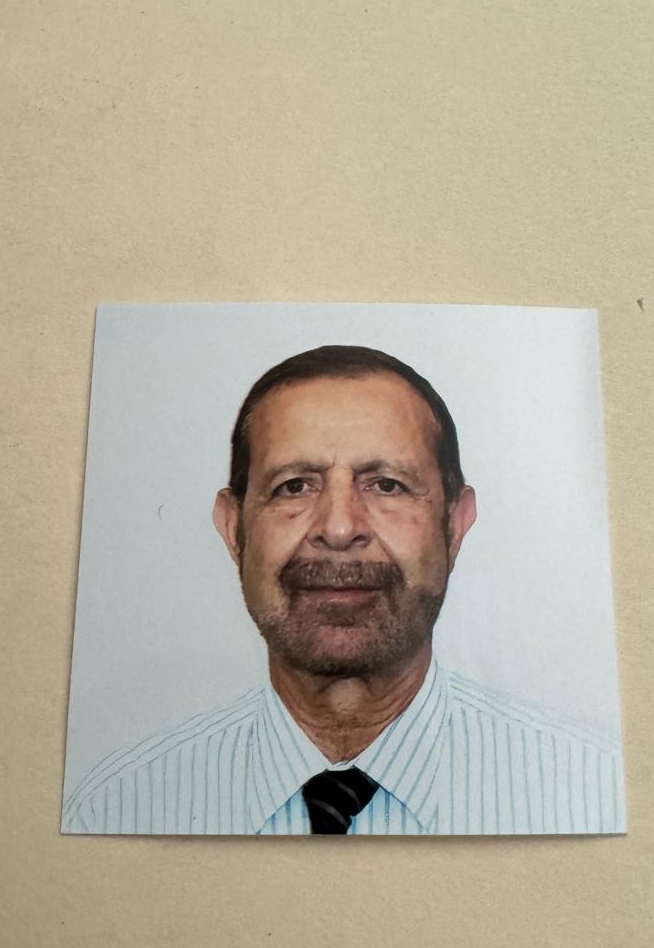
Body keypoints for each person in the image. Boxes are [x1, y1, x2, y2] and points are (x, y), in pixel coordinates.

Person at [62, 345, 623, 836]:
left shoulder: (590, 787)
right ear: (234, 529)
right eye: (294, 486)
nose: (337, 528)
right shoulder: (117, 805)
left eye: (387, 485)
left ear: (455, 525)